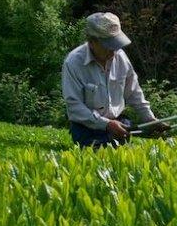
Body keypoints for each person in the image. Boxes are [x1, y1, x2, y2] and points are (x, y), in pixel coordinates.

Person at [61, 12, 168, 148]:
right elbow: (74, 107)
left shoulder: (121, 57)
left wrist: (150, 119)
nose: (113, 51)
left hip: (119, 121)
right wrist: (107, 124)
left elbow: (134, 93)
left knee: (120, 140)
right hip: (87, 125)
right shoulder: (73, 62)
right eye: (108, 45)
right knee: (99, 147)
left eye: (116, 44)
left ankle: (131, 134)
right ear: (92, 41)